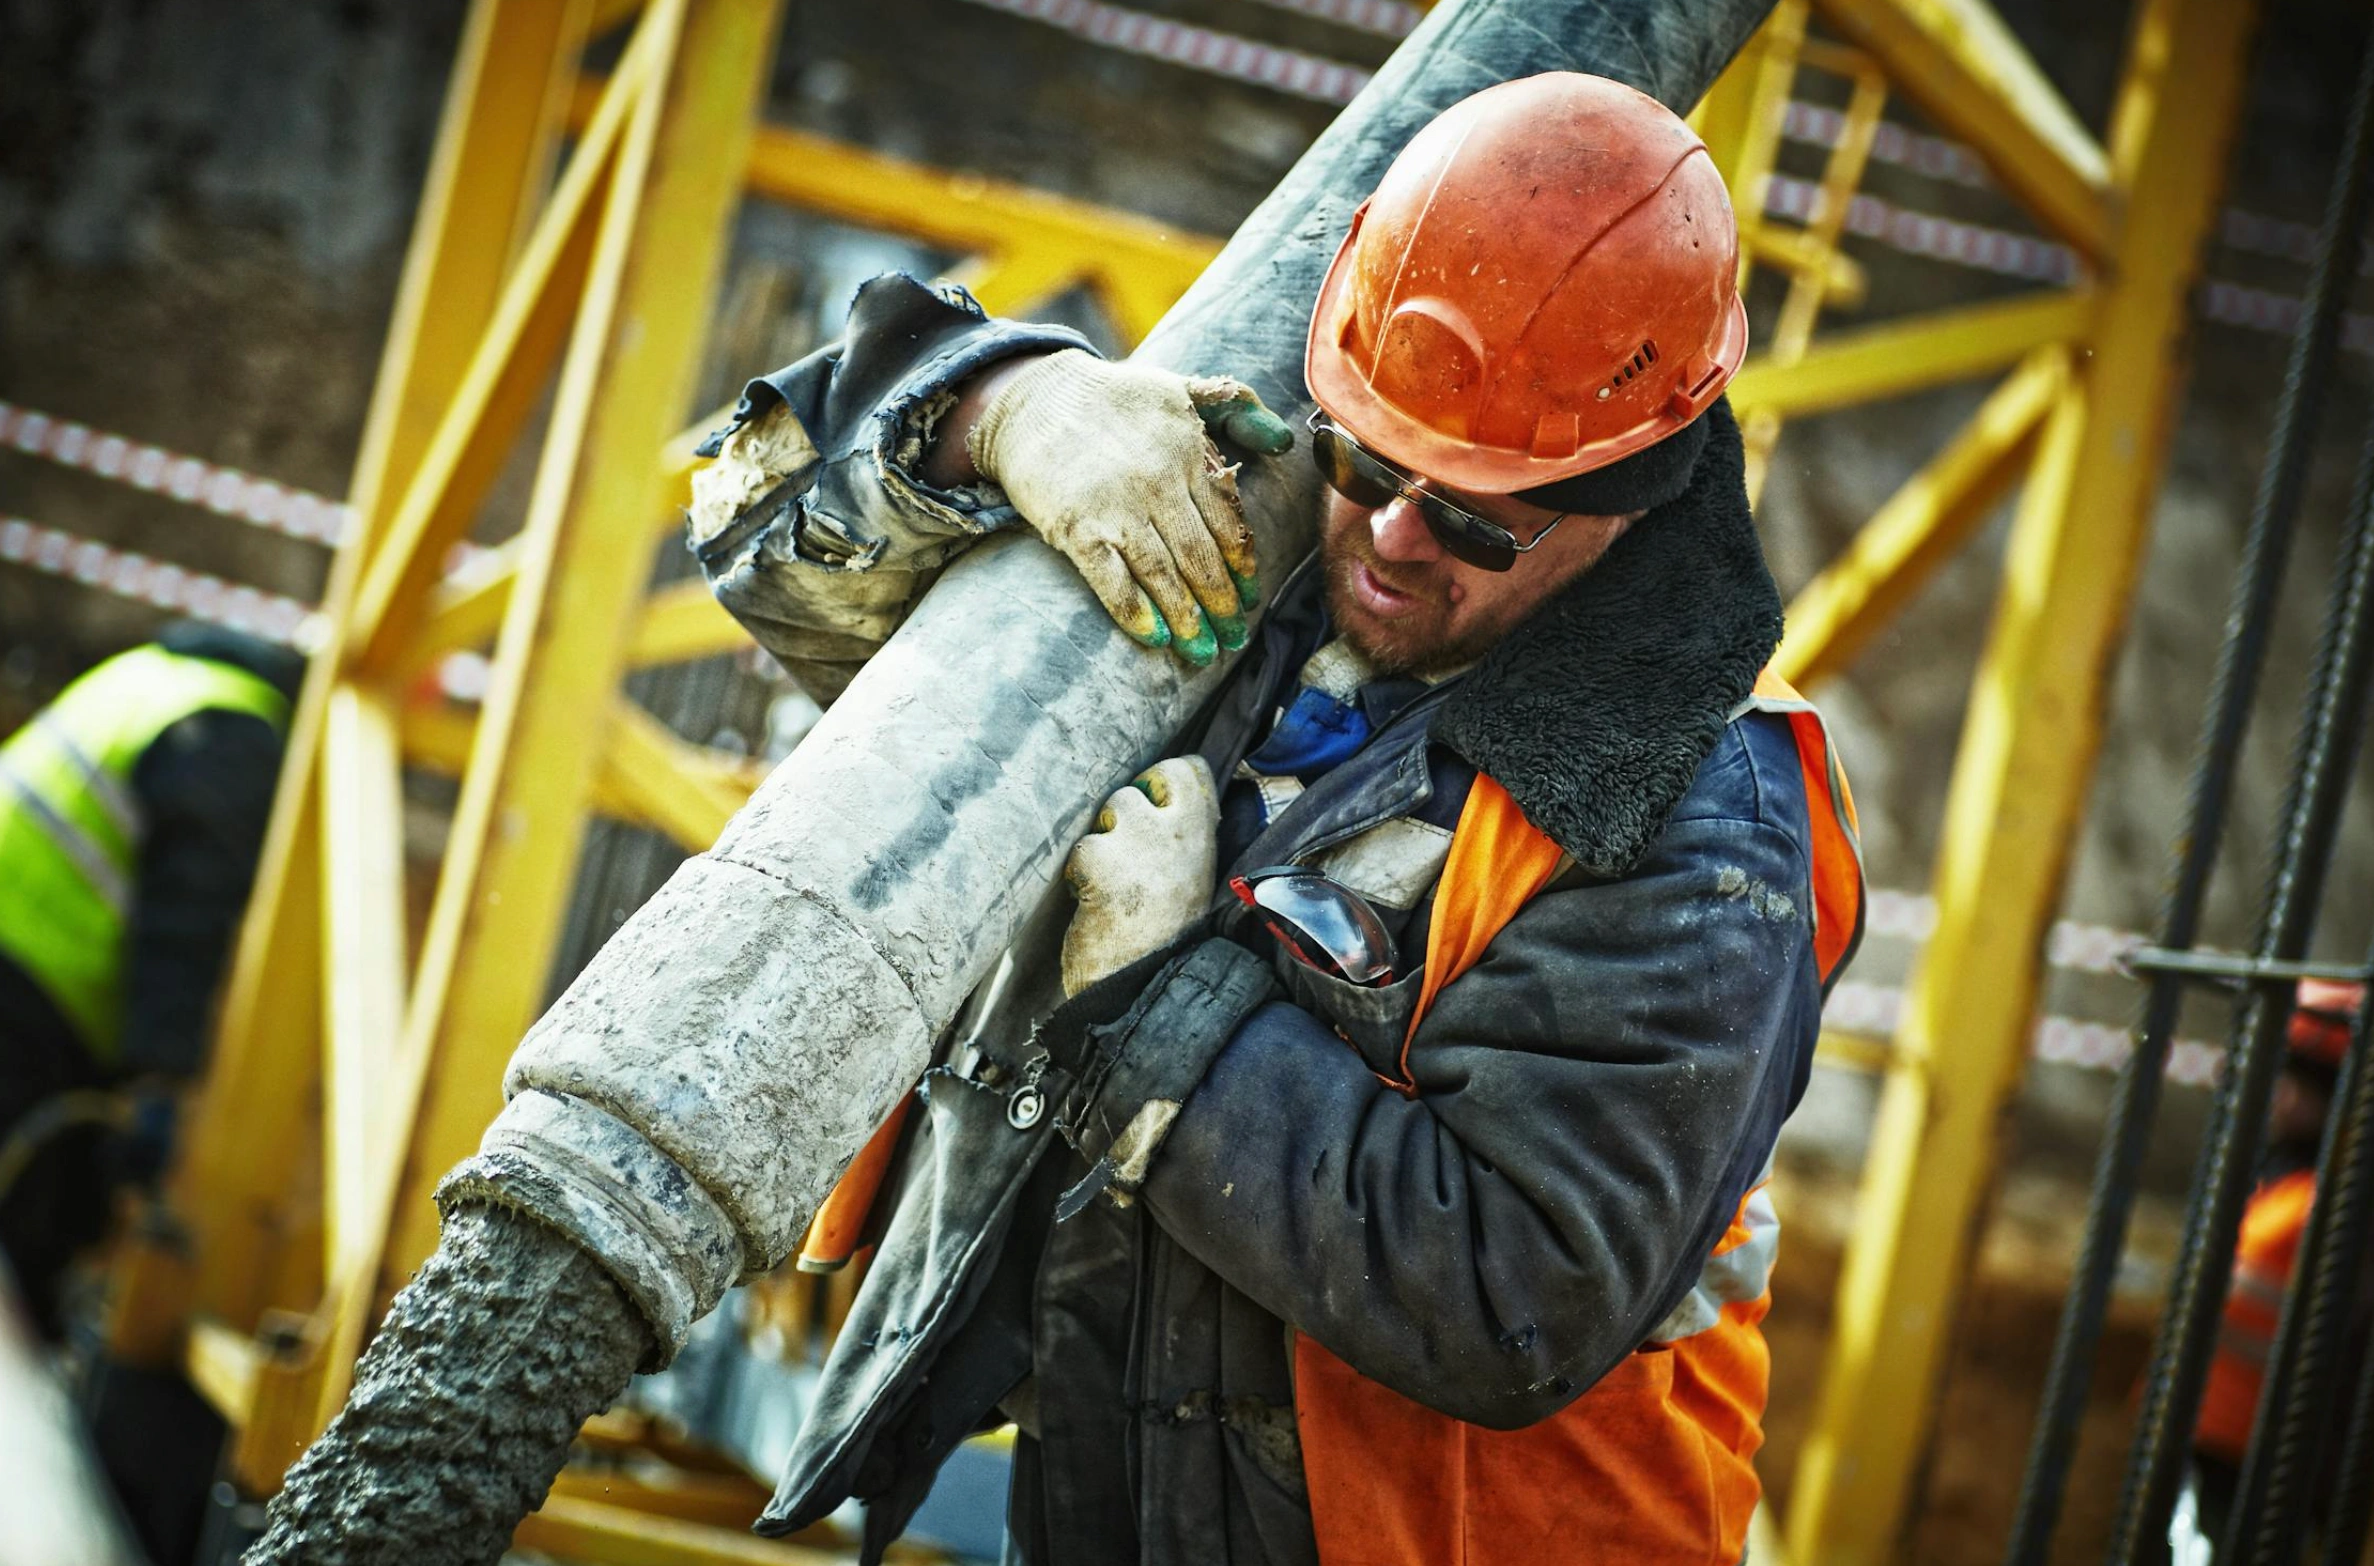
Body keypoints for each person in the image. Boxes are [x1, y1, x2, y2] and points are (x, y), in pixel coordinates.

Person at [690, 72, 1862, 1566]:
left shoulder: (1707, 825)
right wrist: (989, 411)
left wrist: (1151, 991)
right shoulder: (1260, 527)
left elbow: (1511, 1288)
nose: (1383, 538)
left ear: (1625, 499)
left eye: (1471, 518)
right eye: (1369, 461)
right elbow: (753, 537)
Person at [0, 619, 301, 1335]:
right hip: (31, 989)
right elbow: (184, 928)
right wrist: (157, 1084)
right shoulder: (235, 731)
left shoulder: (151, 676)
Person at [2173, 978, 2365, 1560]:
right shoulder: (2275, 1185)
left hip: (2268, 1452)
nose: (2274, 1097)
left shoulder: (2325, 1206)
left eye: (2295, 1083)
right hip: (2211, 1433)